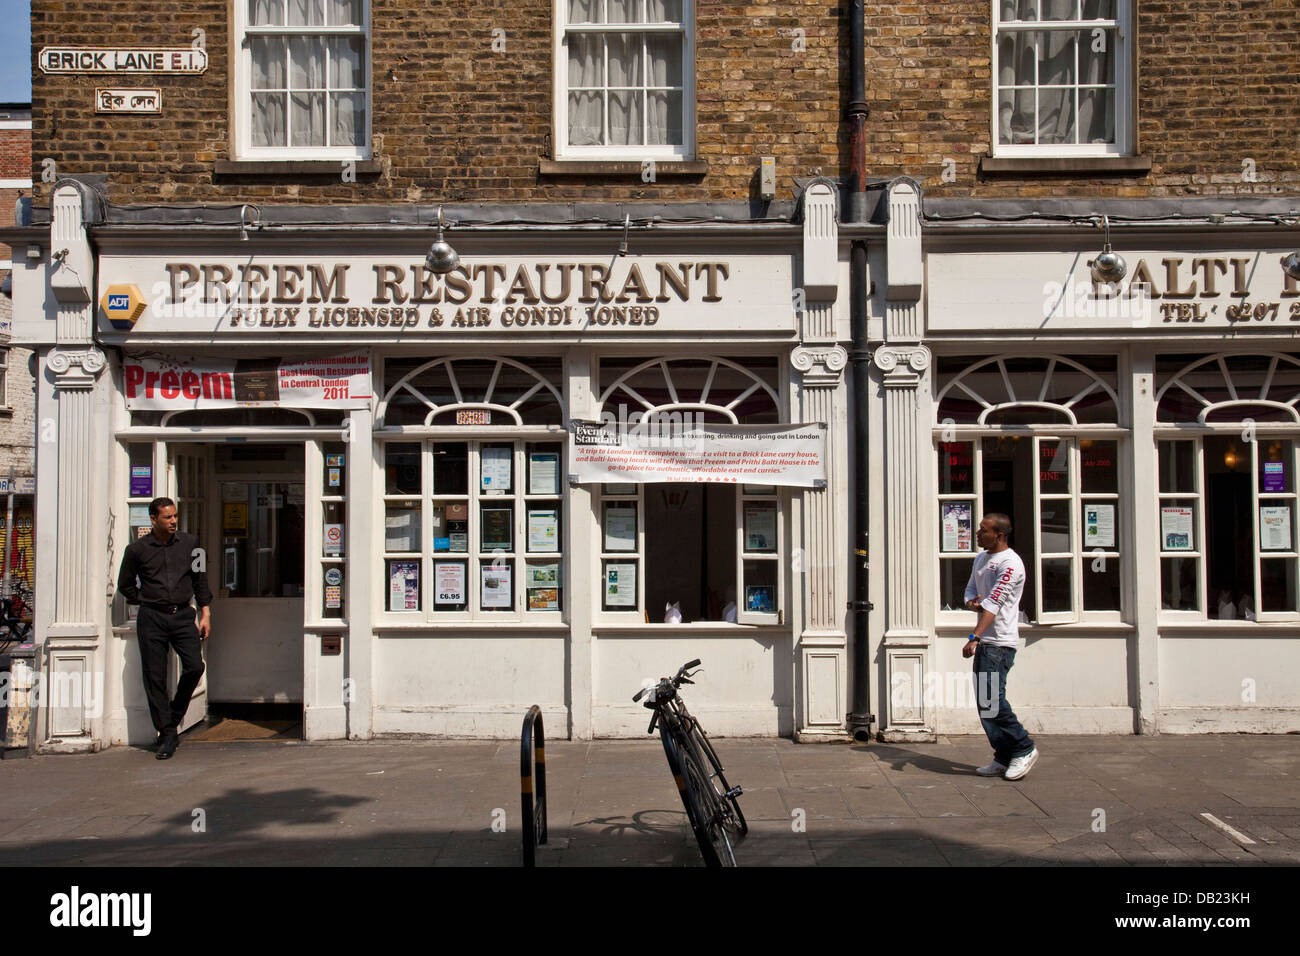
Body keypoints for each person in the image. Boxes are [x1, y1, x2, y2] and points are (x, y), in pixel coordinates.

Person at [117, 497, 212, 759]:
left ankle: (174, 713)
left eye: (175, 517)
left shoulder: (192, 545)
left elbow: (200, 580)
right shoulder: (136, 549)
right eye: (167, 517)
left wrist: (205, 614)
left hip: (183, 615)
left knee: (195, 666)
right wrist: (144, 599)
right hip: (152, 618)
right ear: (153, 519)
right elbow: (124, 585)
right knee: (154, 676)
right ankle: (167, 734)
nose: (173, 521)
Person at [962, 513, 1038, 780]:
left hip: (1000, 643)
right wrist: (973, 602)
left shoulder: (1011, 564)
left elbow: (993, 604)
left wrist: (974, 637)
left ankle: (1024, 747)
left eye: (983, 530)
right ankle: (1003, 756)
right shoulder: (982, 559)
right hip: (986, 642)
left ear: (1000, 535)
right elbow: (970, 592)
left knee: (993, 701)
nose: (978, 534)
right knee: (986, 704)